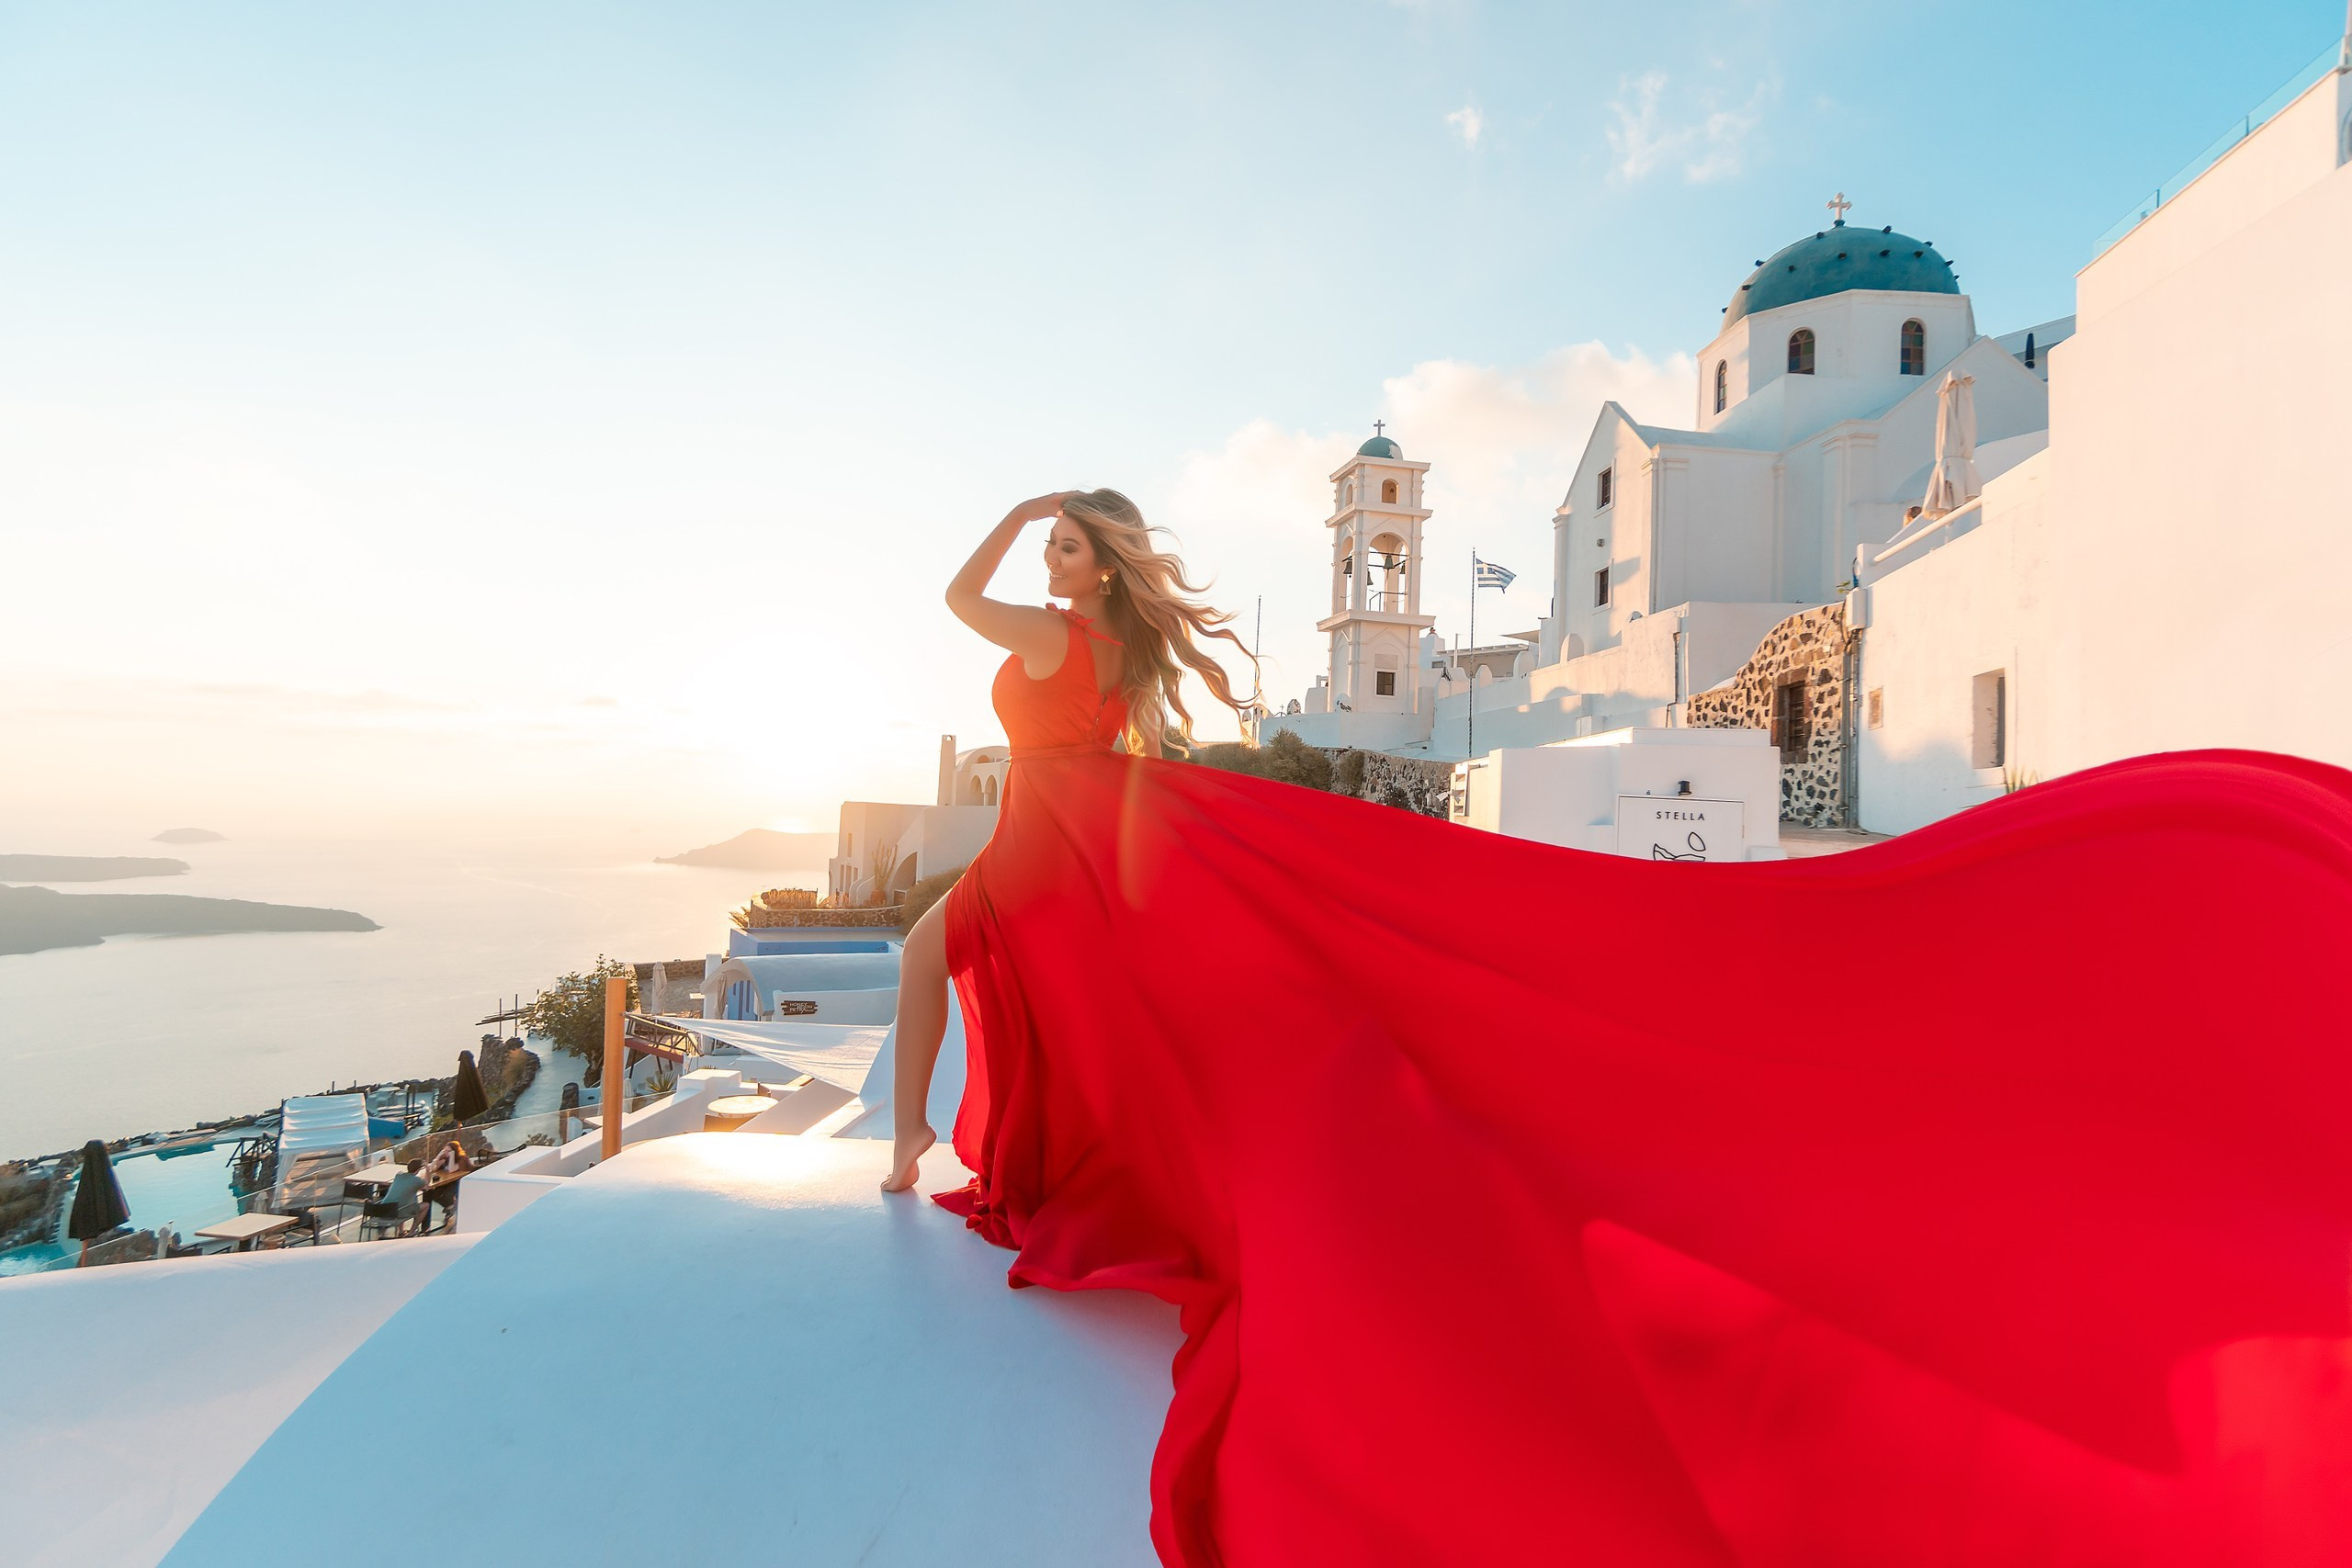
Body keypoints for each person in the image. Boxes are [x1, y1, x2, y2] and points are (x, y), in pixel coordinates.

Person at [883, 488, 2352, 1567]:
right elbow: (1133, 753)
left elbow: (956, 605)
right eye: (1056, 547)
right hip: (1089, 838)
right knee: (1036, 985)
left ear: (1094, 562)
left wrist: (1011, 519)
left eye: (1070, 546)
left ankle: (904, 1150)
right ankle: (961, 1150)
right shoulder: (1119, 646)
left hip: (1047, 842)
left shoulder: (1055, 627)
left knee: (925, 952)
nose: (1056, 562)